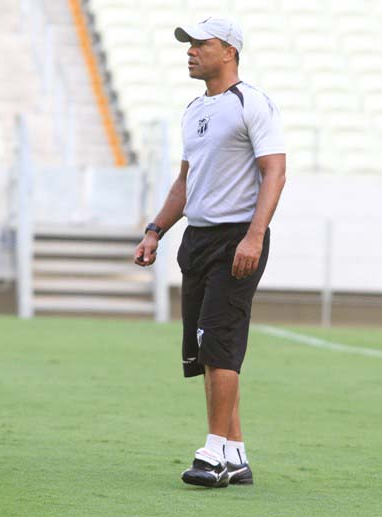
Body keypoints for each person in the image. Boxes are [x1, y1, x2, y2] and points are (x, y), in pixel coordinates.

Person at [134, 16, 286, 489]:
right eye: (190, 44)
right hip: (197, 239)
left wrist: (255, 235)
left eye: (202, 44)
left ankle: (214, 452)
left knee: (220, 343)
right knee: (205, 349)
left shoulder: (252, 103)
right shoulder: (193, 109)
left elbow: (275, 171)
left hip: (236, 238)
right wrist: (156, 229)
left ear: (230, 52)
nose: (191, 51)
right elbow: (186, 181)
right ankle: (235, 454)